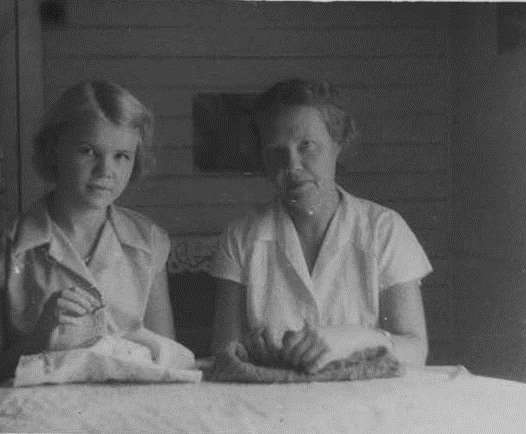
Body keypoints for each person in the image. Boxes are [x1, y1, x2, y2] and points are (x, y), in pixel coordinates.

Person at [210, 78, 432, 373]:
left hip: (367, 403)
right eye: (276, 152)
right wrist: (251, 351)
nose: (292, 166)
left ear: (337, 144)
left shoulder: (384, 229)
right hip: (275, 405)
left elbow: (416, 350)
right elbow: (223, 353)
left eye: (307, 146)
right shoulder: (241, 236)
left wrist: (352, 340)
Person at [0, 81, 176, 379]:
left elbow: (168, 356)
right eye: (88, 151)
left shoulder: (147, 242)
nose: (105, 171)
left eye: (122, 156)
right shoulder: (10, 248)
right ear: (54, 148)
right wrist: (42, 333)